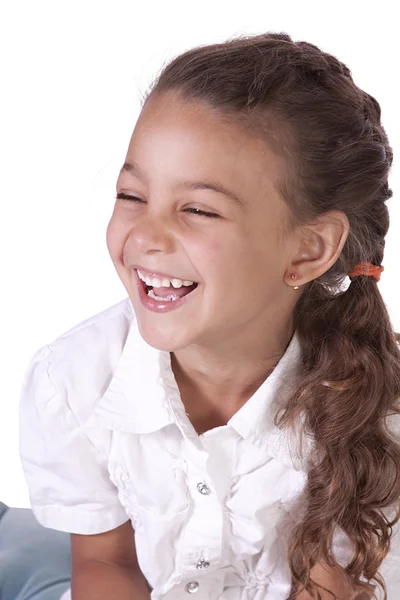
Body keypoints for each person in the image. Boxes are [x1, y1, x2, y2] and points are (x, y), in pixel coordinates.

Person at [18, 30, 400, 600]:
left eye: (197, 209)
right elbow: (106, 562)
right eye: (131, 196)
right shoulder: (71, 379)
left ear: (308, 250)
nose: (146, 236)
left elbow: (331, 586)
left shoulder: (369, 402)